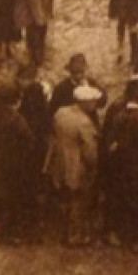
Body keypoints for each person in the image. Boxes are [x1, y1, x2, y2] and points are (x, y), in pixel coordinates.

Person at [102, 75, 138, 248]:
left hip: (120, 162)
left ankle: (120, 233)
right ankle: (132, 237)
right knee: (131, 199)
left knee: (121, 197)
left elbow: (109, 138)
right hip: (136, 164)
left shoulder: (120, 111)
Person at [0, 82, 41, 244]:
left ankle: (2, 228)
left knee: (1, 196)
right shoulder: (16, 119)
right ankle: (7, 234)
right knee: (12, 199)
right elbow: (30, 140)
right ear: (16, 100)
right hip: (12, 165)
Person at [48, 85, 103, 246]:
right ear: (83, 102)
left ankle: (63, 231)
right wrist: (94, 167)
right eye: (92, 101)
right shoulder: (84, 122)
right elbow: (90, 151)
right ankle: (75, 236)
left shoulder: (61, 112)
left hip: (60, 162)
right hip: (76, 165)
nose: (94, 104)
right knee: (78, 201)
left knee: (64, 197)